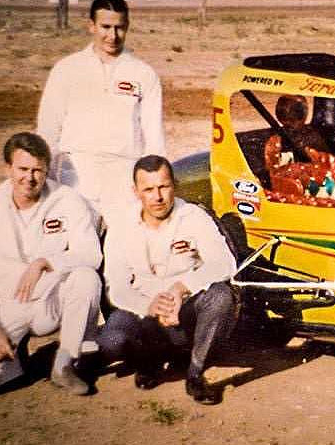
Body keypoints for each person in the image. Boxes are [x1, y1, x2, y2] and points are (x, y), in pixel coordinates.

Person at [0, 132, 102, 396]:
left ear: (47, 170)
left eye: (38, 170)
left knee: (86, 277)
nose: (30, 178)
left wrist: (46, 262)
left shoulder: (67, 200)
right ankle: (21, 359)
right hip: (7, 305)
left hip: (51, 300)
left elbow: (92, 254)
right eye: (23, 169)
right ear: (7, 168)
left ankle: (64, 362)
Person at [97, 155, 238, 404]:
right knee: (112, 341)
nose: (158, 197)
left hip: (185, 313)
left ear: (175, 185)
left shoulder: (193, 216)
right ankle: (147, 363)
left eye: (164, 187)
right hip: (143, 314)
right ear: (136, 191)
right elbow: (115, 285)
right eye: (148, 189)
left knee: (221, 297)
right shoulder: (121, 225)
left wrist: (182, 288)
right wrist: (148, 306)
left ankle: (195, 373)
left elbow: (225, 263)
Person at [36, 0, 164, 218]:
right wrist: (47, 181)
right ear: (91, 26)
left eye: (119, 28)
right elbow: (48, 129)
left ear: (127, 26)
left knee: (123, 248)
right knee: (75, 247)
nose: (112, 36)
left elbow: (154, 138)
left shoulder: (143, 73)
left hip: (123, 176)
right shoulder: (67, 69)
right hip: (74, 173)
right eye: (105, 26)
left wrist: (152, 184)